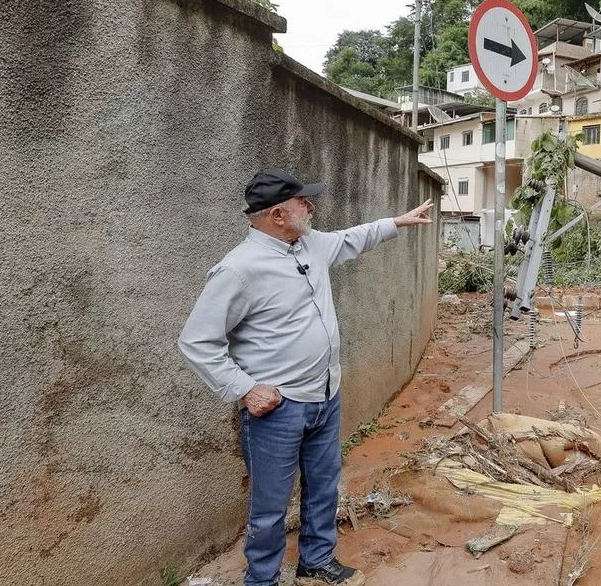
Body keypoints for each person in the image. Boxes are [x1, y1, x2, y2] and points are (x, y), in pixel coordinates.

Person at [178, 168, 433, 586]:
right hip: (279, 409)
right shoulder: (239, 270)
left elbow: (352, 238)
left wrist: (397, 222)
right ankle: (262, 579)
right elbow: (197, 341)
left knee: (323, 486)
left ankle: (316, 560)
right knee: (269, 506)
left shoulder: (308, 244)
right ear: (279, 214)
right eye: (303, 202)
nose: (311, 206)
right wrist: (245, 388)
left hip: (325, 395)